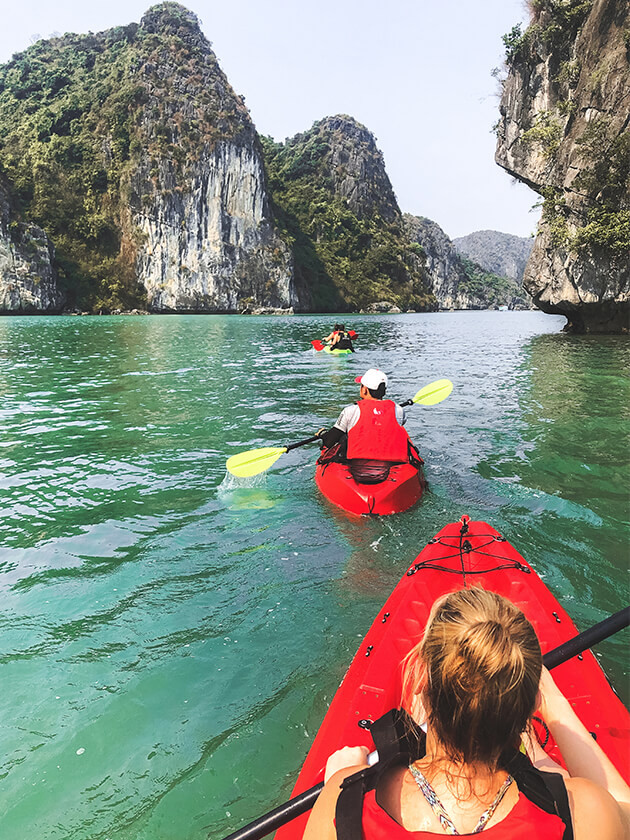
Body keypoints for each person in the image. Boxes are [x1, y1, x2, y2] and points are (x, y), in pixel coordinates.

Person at [304, 588, 630, 840]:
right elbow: (623, 810)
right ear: (530, 703)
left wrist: (343, 779)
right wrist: (554, 704)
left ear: (418, 676)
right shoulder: (583, 810)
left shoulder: (342, 806)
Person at [318, 369, 410, 464]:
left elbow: (329, 442)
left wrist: (323, 434)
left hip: (356, 463)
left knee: (343, 437)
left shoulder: (350, 411)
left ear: (365, 389)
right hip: (391, 463)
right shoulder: (399, 410)